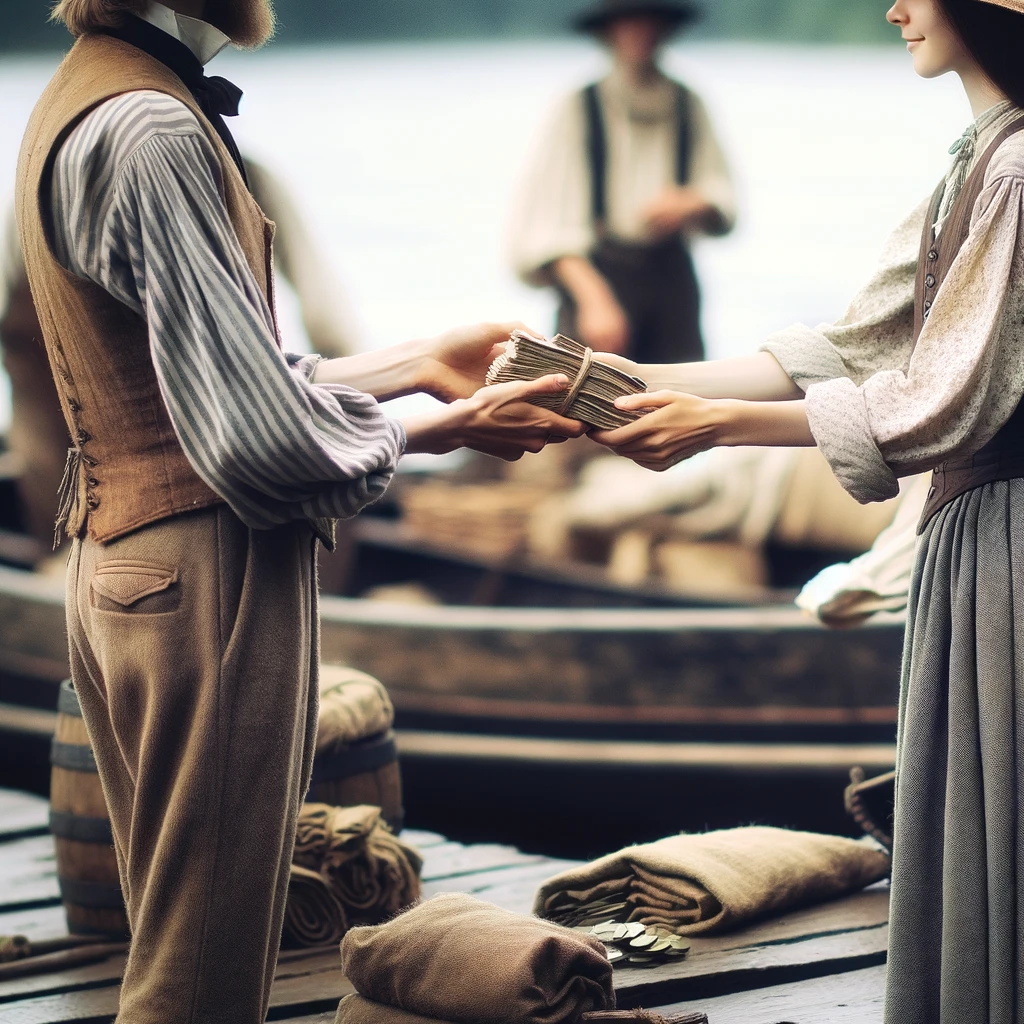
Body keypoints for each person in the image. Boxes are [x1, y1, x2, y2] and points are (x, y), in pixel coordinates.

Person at [16, 2, 583, 1023]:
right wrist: (431, 434)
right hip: (209, 575)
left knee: (177, 945)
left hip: (120, 564)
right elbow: (253, 439)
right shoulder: (153, 130)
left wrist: (415, 364)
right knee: (199, 980)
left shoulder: (81, 97)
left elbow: (216, 378)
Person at [589, 0, 1024, 1019]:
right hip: (971, 542)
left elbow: (939, 400)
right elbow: (852, 345)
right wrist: (621, 378)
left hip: (1006, 540)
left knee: (1000, 832)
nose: (894, 6)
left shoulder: (1014, 169)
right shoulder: (978, 158)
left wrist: (714, 426)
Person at [0, 156, 356, 552]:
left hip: (187, 473)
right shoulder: (35, 203)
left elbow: (331, 329)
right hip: (60, 451)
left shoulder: (250, 179)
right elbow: (331, 327)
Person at [507, 0, 736, 363]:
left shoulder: (687, 103)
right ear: (609, 31)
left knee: (686, 404)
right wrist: (594, 300)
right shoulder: (579, 106)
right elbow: (545, 227)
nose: (640, 32)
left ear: (665, 28)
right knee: (591, 409)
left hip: (672, 280)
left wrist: (694, 202)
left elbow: (722, 197)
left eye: (649, 21)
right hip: (597, 277)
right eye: (629, 22)